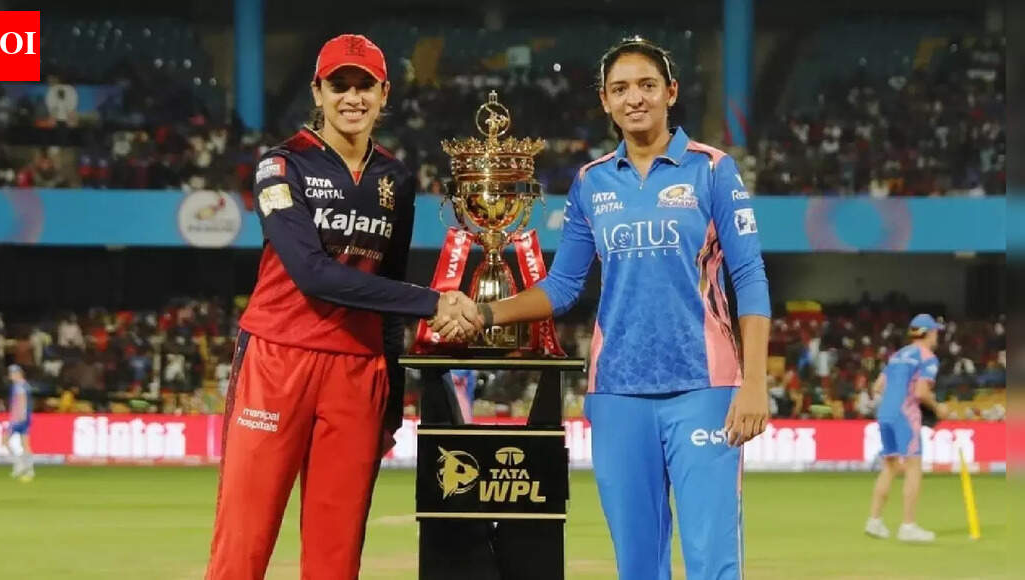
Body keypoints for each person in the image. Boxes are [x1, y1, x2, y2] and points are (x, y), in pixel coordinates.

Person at [434, 36, 771, 580]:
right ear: (605, 100)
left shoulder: (713, 169)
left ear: (670, 92)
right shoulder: (592, 182)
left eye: (647, 85)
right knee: (637, 565)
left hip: (705, 389)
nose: (634, 98)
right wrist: (485, 312)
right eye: (621, 89)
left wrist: (754, 381)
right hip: (617, 392)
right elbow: (564, 285)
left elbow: (749, 276)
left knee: (713, 562)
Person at [205, 34, 479, 580]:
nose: (352, 98)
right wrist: (433, 302)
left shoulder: (396, 179)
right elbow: (312, 274)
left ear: (384, 94)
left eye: (364, 86)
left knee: (337, 555)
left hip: (358, 372)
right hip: (277, 360)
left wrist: (391, 398)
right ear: (318, 91)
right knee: (243, 544)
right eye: (339, 85)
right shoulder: (281, 165)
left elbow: (389, 285)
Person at [865, 313, 947, 542]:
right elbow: (921, 392)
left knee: (889, 466)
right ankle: (908, 526)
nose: (937, 336)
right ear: (929, 333)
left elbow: (878, 386)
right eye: (935, 332)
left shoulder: (898, 356)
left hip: (886, 413)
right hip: (905, 415)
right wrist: (938, 408)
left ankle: (874, 521)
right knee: (914, 467)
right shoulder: (928, 358)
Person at [4, 364, 35, 482]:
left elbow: (21, 402)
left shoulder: (19, 386)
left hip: (19, 418)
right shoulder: (23, 385)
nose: (10, 375)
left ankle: (21, 466)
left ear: (18, 373)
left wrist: (17, 418)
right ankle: (26, 468)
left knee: (6, 441)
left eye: (12, 373)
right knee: (25, 444)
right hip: (24, 418)